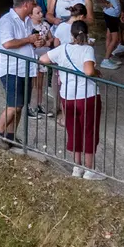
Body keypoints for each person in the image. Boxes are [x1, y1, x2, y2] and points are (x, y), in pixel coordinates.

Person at [42, 20, 105, 179]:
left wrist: (60, 67)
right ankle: (90, 170)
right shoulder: (87, 49)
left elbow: (43, 59)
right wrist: (97, 72)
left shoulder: (63, 48)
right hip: (87, 95)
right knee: (89, 130)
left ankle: (77, 167)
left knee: (73, 129)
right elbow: (89, 71)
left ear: (71, 34)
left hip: (67, 96)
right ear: (87, 33)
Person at [0, 0, 49, 147]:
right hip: (12, 68)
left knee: (20, 106)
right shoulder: (6, 21)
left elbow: (25, 42)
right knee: (14, 105)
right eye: (32, 4)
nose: (34, 7)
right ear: (26, 5)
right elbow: (8, 43)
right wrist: (29, 40)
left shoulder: (26, 21)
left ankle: (11, 136)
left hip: (26, 68)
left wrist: (34, 43)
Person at [99, 0, 124, 70]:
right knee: (115, 39)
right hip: (111, 15)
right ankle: (105, 60)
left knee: (109, 36)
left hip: (112, 14)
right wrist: (107, 4)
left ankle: (109, 56)